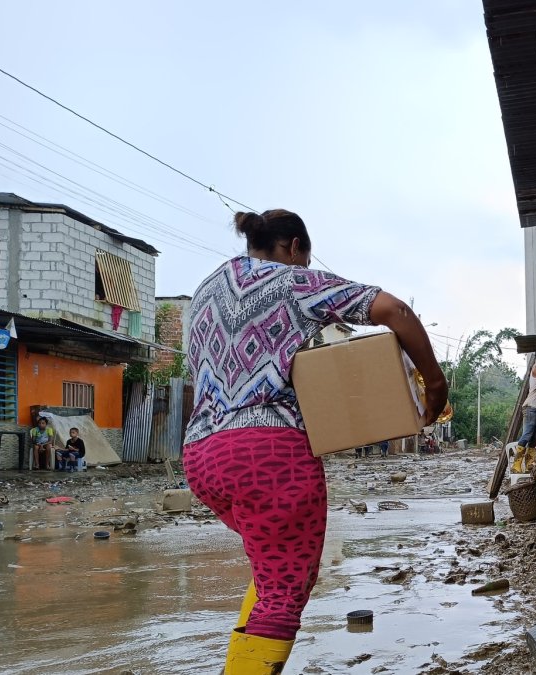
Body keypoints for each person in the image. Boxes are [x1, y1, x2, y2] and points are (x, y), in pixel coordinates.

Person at [182, 210, 446, 674]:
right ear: (293, 247)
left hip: (202, 455)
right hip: (266, 454)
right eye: (304, 257)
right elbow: (394, 312)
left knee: (272, 572)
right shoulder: (290, 281)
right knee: (284, 594)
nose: (305, 267)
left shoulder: (206, 290)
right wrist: (435, 384)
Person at [513, 356, 536, 473]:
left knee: (533, 438)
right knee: (527, 435)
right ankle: (516, 464)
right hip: (531, 407)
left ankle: (528, 464)